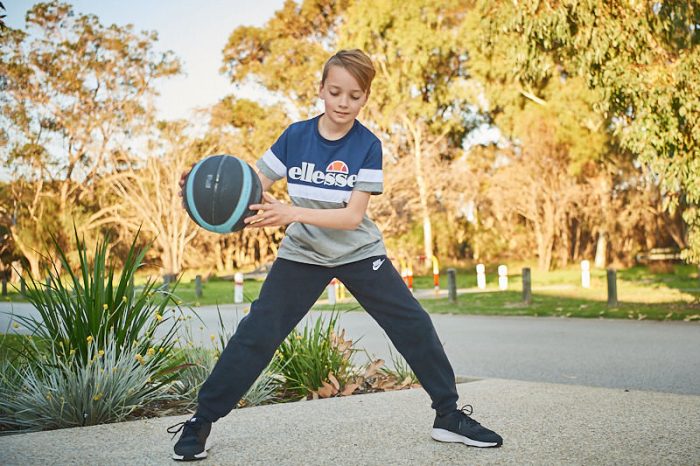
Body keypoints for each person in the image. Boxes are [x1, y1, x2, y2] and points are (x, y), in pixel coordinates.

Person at [168, 49, 502, 461]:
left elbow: (352, 216)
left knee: (414, 324)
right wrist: (201, 183)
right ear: (322, 90)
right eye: (335, 92)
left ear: (365, 98)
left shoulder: (367, 146)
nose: (343, 103)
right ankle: (200, 423)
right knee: (257, 334)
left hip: (359, 251)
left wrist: (289, 212)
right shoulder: (295, 136)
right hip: (303, 252)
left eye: (355, 95)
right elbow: (253, 182)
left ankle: (449, 417)